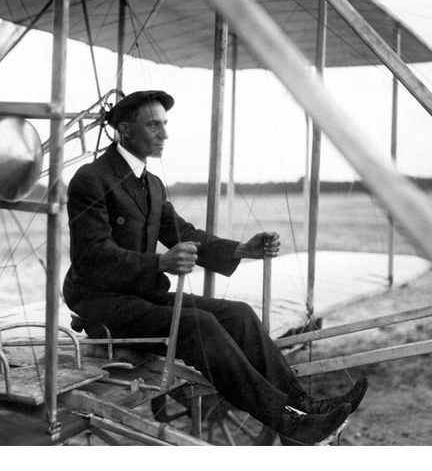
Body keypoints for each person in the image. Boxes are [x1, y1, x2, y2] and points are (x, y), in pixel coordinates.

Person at [63, 90, 368, 445]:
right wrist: (160, 261)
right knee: (199, 323)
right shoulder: (91, 179)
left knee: (238, 313)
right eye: (154, 126)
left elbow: (183, 233)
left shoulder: (153, 184)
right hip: (102, 306)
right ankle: (286, 421)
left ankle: (303, 405)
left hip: (141, 298)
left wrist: (241, 249)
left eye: (164, 125)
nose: (164, 134)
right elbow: (93, 255)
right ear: (126, 130)